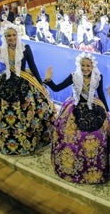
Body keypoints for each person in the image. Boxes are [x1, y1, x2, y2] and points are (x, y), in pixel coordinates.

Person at [0, 23, 56, 155]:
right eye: (8, 36)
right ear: (5, 37)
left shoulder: (25, 48)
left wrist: (40, 84)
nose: (12, 38)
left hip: (24, 81)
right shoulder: (1, 50)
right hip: (6, 81)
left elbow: (33, 67)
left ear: (17, 35)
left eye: (14, 35)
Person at [44, 52, 110, 184]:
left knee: (99, 135)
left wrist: (107, 111)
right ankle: (73, 166)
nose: (85, 68)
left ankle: (94, 167)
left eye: (88, 66)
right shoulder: (74, 76)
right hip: (75, 108)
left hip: (94, 107)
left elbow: (101, 94)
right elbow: (57, 88)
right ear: (79, 66)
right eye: (83, 65)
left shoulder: (98, 77)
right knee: (72, 137)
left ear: (92, 66)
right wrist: (49, 80)